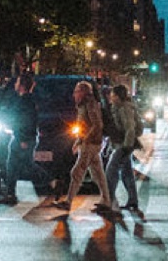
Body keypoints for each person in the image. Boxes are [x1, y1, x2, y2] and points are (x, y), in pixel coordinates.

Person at [53, 80, 116, 216]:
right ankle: (106, 201)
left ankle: (68, 201)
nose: (74, 94)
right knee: (98, 174)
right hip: (89, 142)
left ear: (83, 92)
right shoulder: (83, 105)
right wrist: (78, 141)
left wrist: (85, 139)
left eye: (76, 91)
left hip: (91, 143)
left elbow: (97, 124)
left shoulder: (90, 104)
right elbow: (84, 125)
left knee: (77, 172)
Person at [0, 74, 48, 206]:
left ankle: (51, 180)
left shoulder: (25, 100)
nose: (15, 85)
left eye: (18, 82)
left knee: (24, 165)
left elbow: (26, 121)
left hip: (23, 137)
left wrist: (23, 138)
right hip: (21, 136)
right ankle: (10, 193)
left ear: (22, 86)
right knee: (13, 165)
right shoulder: (27, 99)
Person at [105, 84, 142, 216]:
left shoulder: (124, 108)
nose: (111, 97)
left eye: (113, 95)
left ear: (118, 96)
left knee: (111, 171)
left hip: (125, 144)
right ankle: (133, 200)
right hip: (122, 143)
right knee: (126, 172)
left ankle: (108, 201)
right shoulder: (119, 107)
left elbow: (130, 128)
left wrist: (126, 146)